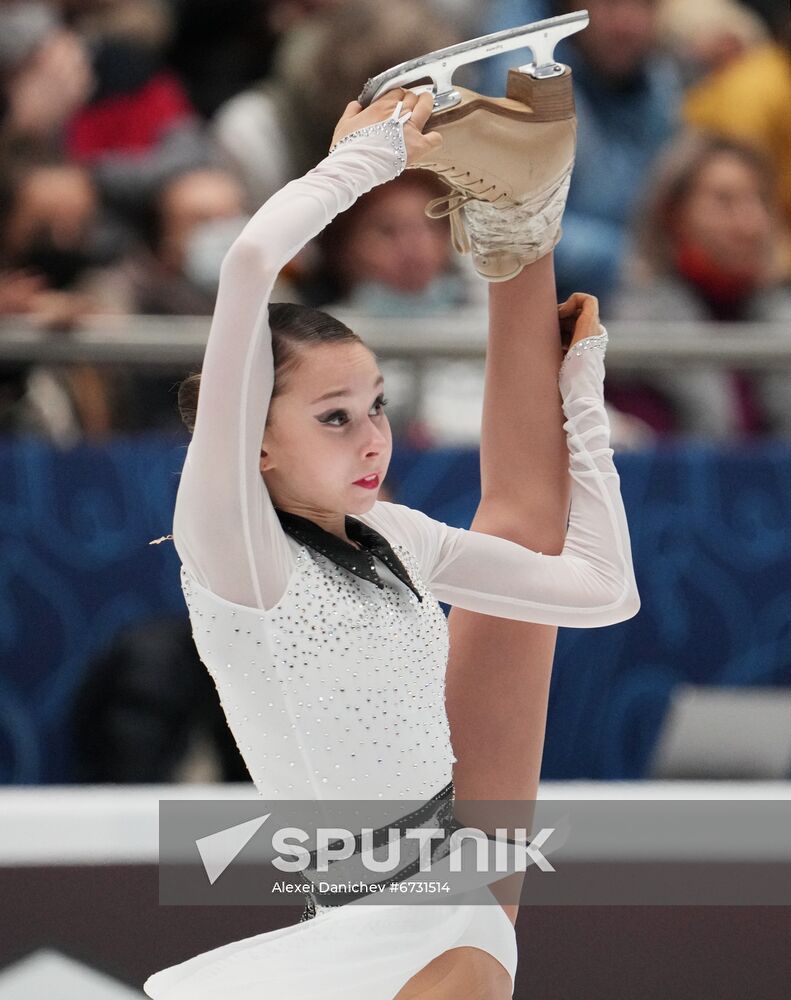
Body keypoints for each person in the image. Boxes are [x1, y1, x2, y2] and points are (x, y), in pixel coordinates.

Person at [143, 89, 639, 1000]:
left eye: (375, 407)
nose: (372, 438)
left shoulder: (392, 535)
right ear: (251, 437)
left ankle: (515, 209)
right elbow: (251, 261)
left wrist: (582, 399)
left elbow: (604, 591)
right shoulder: (232, 546)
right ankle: (511, 208)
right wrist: (370, 157)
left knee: (525, 521)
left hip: (465, 886)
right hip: (358, 917)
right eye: (334, 418)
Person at [611, 130, 791, 440]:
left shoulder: (782, 317)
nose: (751, 224)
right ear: (673, 215)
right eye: (725, 201)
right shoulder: (628, 340)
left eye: (759, 199)